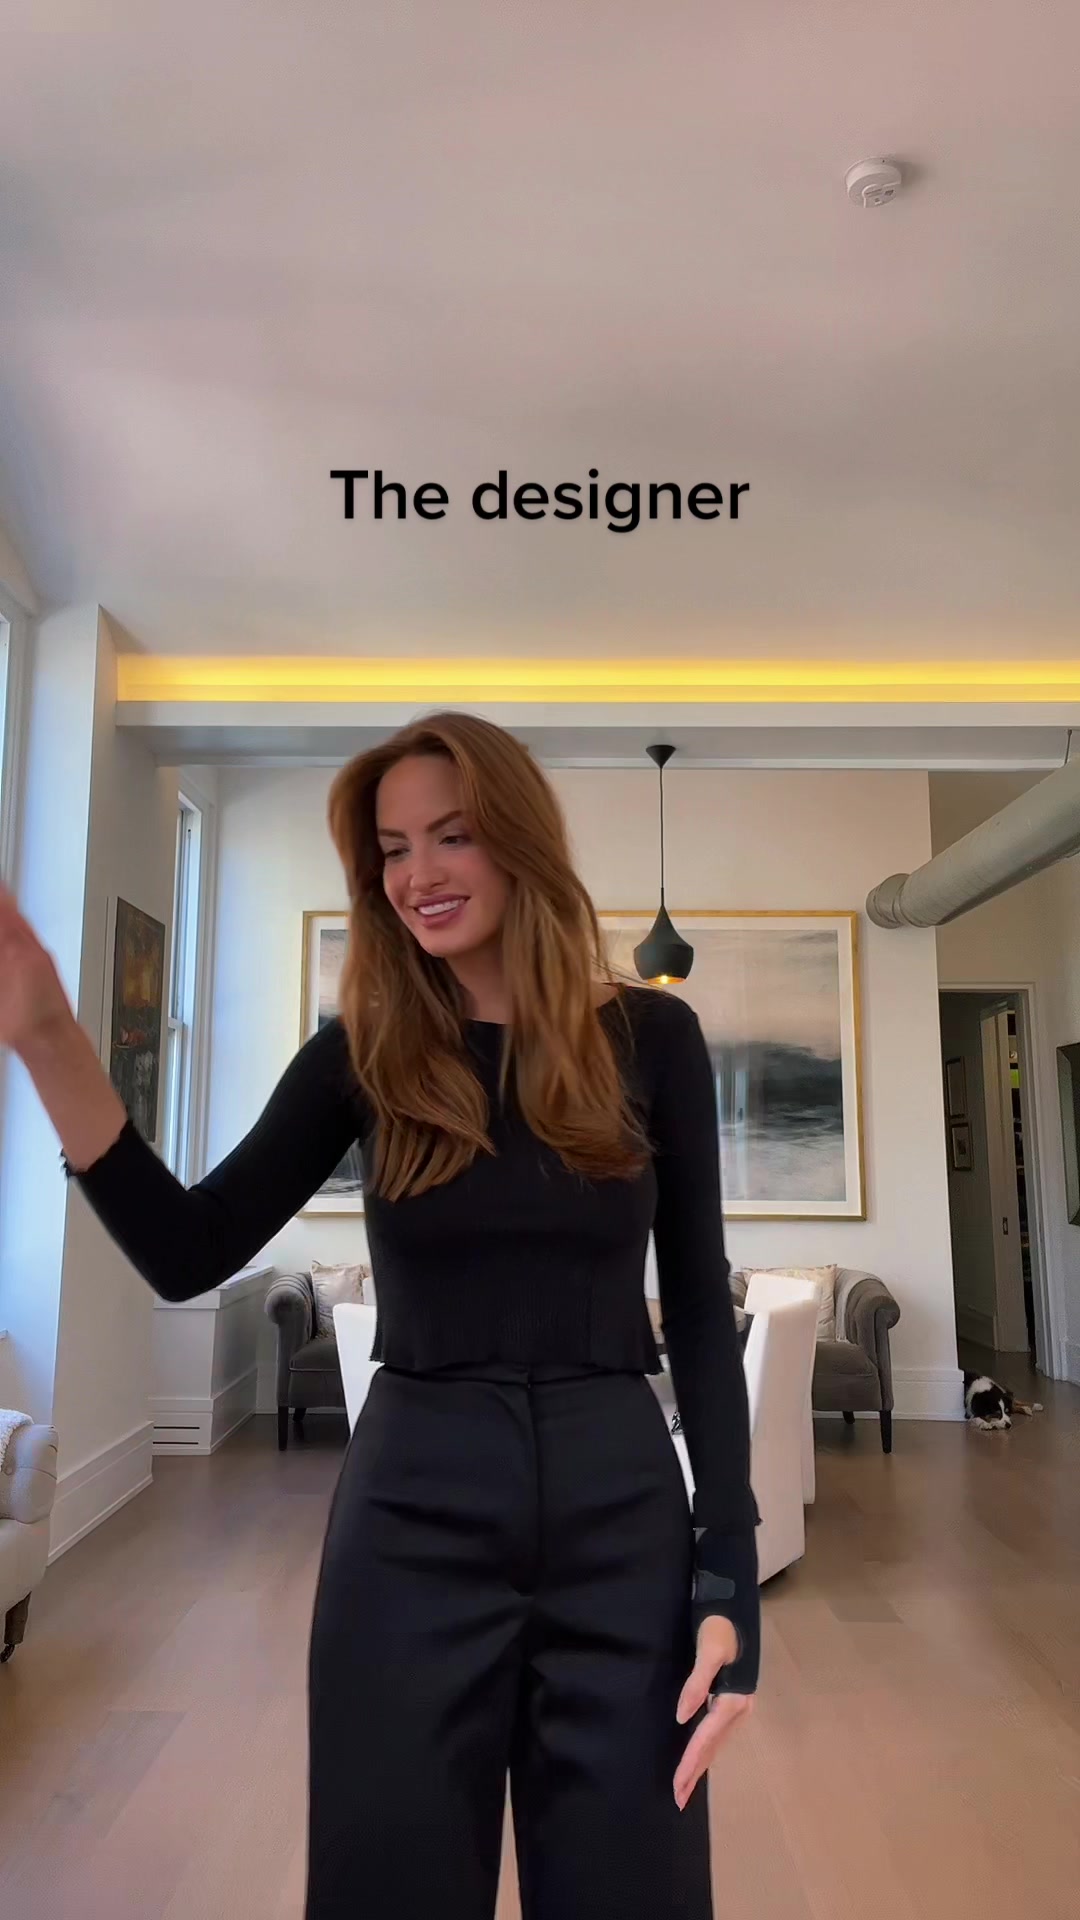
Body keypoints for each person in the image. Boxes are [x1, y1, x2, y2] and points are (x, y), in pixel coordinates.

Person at [0, 710, 759, 1920]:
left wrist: (728, 1566)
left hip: (623, 1516)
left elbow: (705, 1313)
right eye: (392, 851)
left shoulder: (653, 1039)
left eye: (451, 836)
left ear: (519, 841)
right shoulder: (361, 1053)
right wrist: (45, 1037)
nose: (417, 875)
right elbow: (187, 1250)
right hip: (411, 1522)